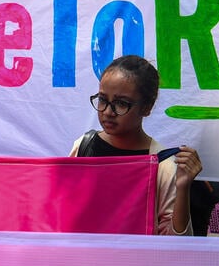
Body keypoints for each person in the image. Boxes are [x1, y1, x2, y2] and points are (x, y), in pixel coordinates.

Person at [70, 55, 202, 235]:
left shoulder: (162, 165)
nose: (108, 112)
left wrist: (183, 188)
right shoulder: (84, 145)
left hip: (137, 262)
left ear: (147, 107)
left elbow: (174, 243)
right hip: (83, 260)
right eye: (102, 99)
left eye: (121, 103)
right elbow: (66, 213)